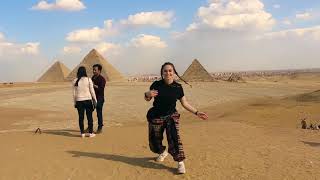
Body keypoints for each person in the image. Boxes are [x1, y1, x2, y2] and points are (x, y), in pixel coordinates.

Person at [144, 62, 208, 174]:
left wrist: (197, 112)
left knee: (174, 138)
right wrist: (147, 94)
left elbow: (184, 103)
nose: (168, 73)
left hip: (171, 116)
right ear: (162, 73)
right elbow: (147, 99)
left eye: (170, 70)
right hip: (156, 115)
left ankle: (180, 162)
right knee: (154, 142)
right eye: (165, 71)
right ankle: (162, 151)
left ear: (174, 72)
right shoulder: (156, 85)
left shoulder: (178, 87)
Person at [73, 66, 97, 138]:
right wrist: (95, 100)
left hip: (79, 101)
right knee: (89, 117)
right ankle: (90, 133)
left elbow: (74, 94)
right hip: (88, 100)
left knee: (81, 117)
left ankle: (82, 133)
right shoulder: (89, 79)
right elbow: (92, 91)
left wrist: (75, 102)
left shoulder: (75, 81)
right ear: (85, 72)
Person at [91, 64, 106, 134]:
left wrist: (93, 85)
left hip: (100, 98)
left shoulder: (102, 79)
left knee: (99, 113)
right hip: (93, 98)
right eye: (93, 70)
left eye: (95, 70)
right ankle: (90, 126)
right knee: (89, 112)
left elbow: (101, 89)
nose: (93, 71)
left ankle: (100, 127)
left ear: (99, 71)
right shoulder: (93, 77)